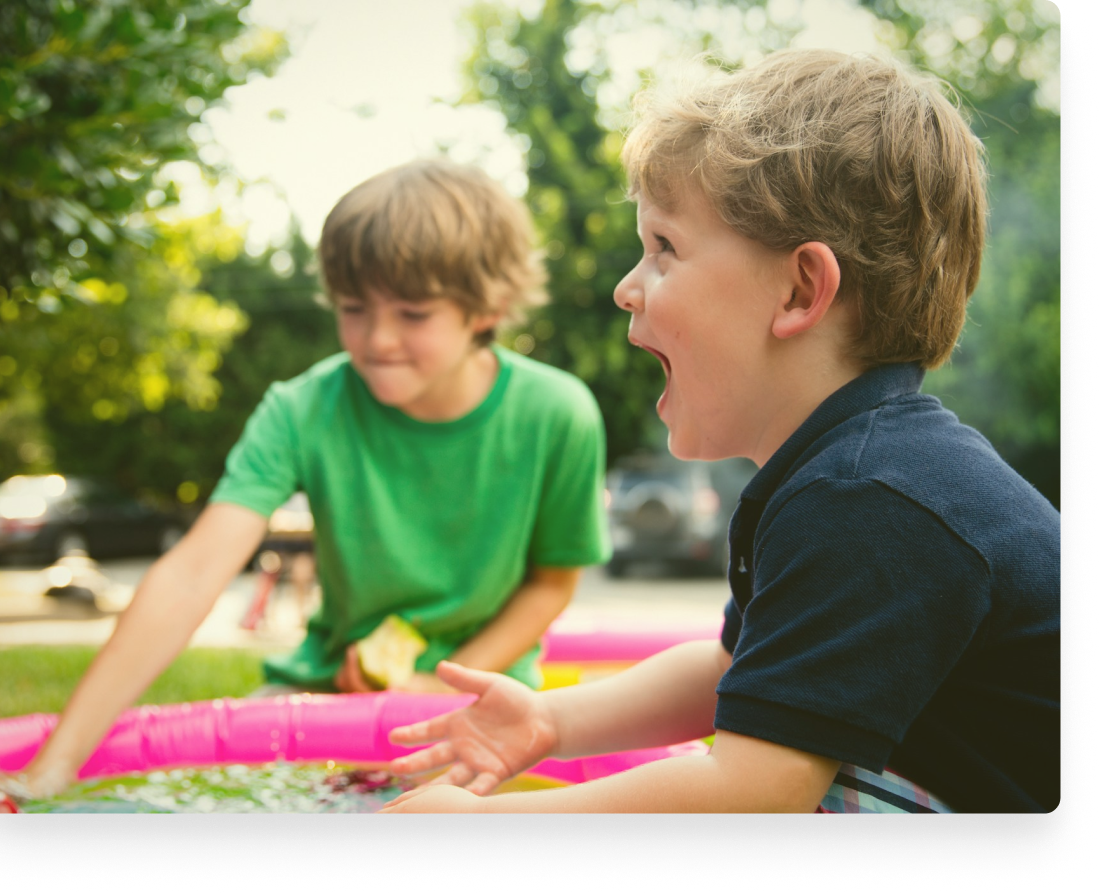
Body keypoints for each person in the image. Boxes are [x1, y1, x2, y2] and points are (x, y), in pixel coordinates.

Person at [378, 49, 1061, 814]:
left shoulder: (874, 499)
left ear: (801, 289)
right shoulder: (843, 473)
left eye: (664, 248)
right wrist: (549, 720)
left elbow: (753, 793)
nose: (626, 287)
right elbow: (732, 669)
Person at [14, 159, 611, 797]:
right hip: (323, 691)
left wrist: (441, 682)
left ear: (486, 307)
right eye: (354, 309)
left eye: (413, 314)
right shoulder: (301, 408)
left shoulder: (559, 414)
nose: (378, 338)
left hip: (481, 699)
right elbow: (191, 575)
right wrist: (55, 764)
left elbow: (551, 583)